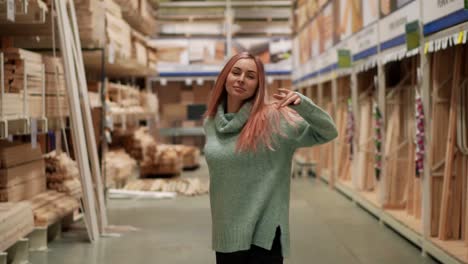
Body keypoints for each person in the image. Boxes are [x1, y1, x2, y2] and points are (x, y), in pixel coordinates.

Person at [203, 52, 338, 264]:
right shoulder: (211, 123)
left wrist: (304, 105)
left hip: (264, 236)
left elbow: (328, 132)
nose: (241, 79)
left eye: (250, 76)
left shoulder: (274, 118)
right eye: (236, 72)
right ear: (224, 77)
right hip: (226, 233)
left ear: (258, 84)